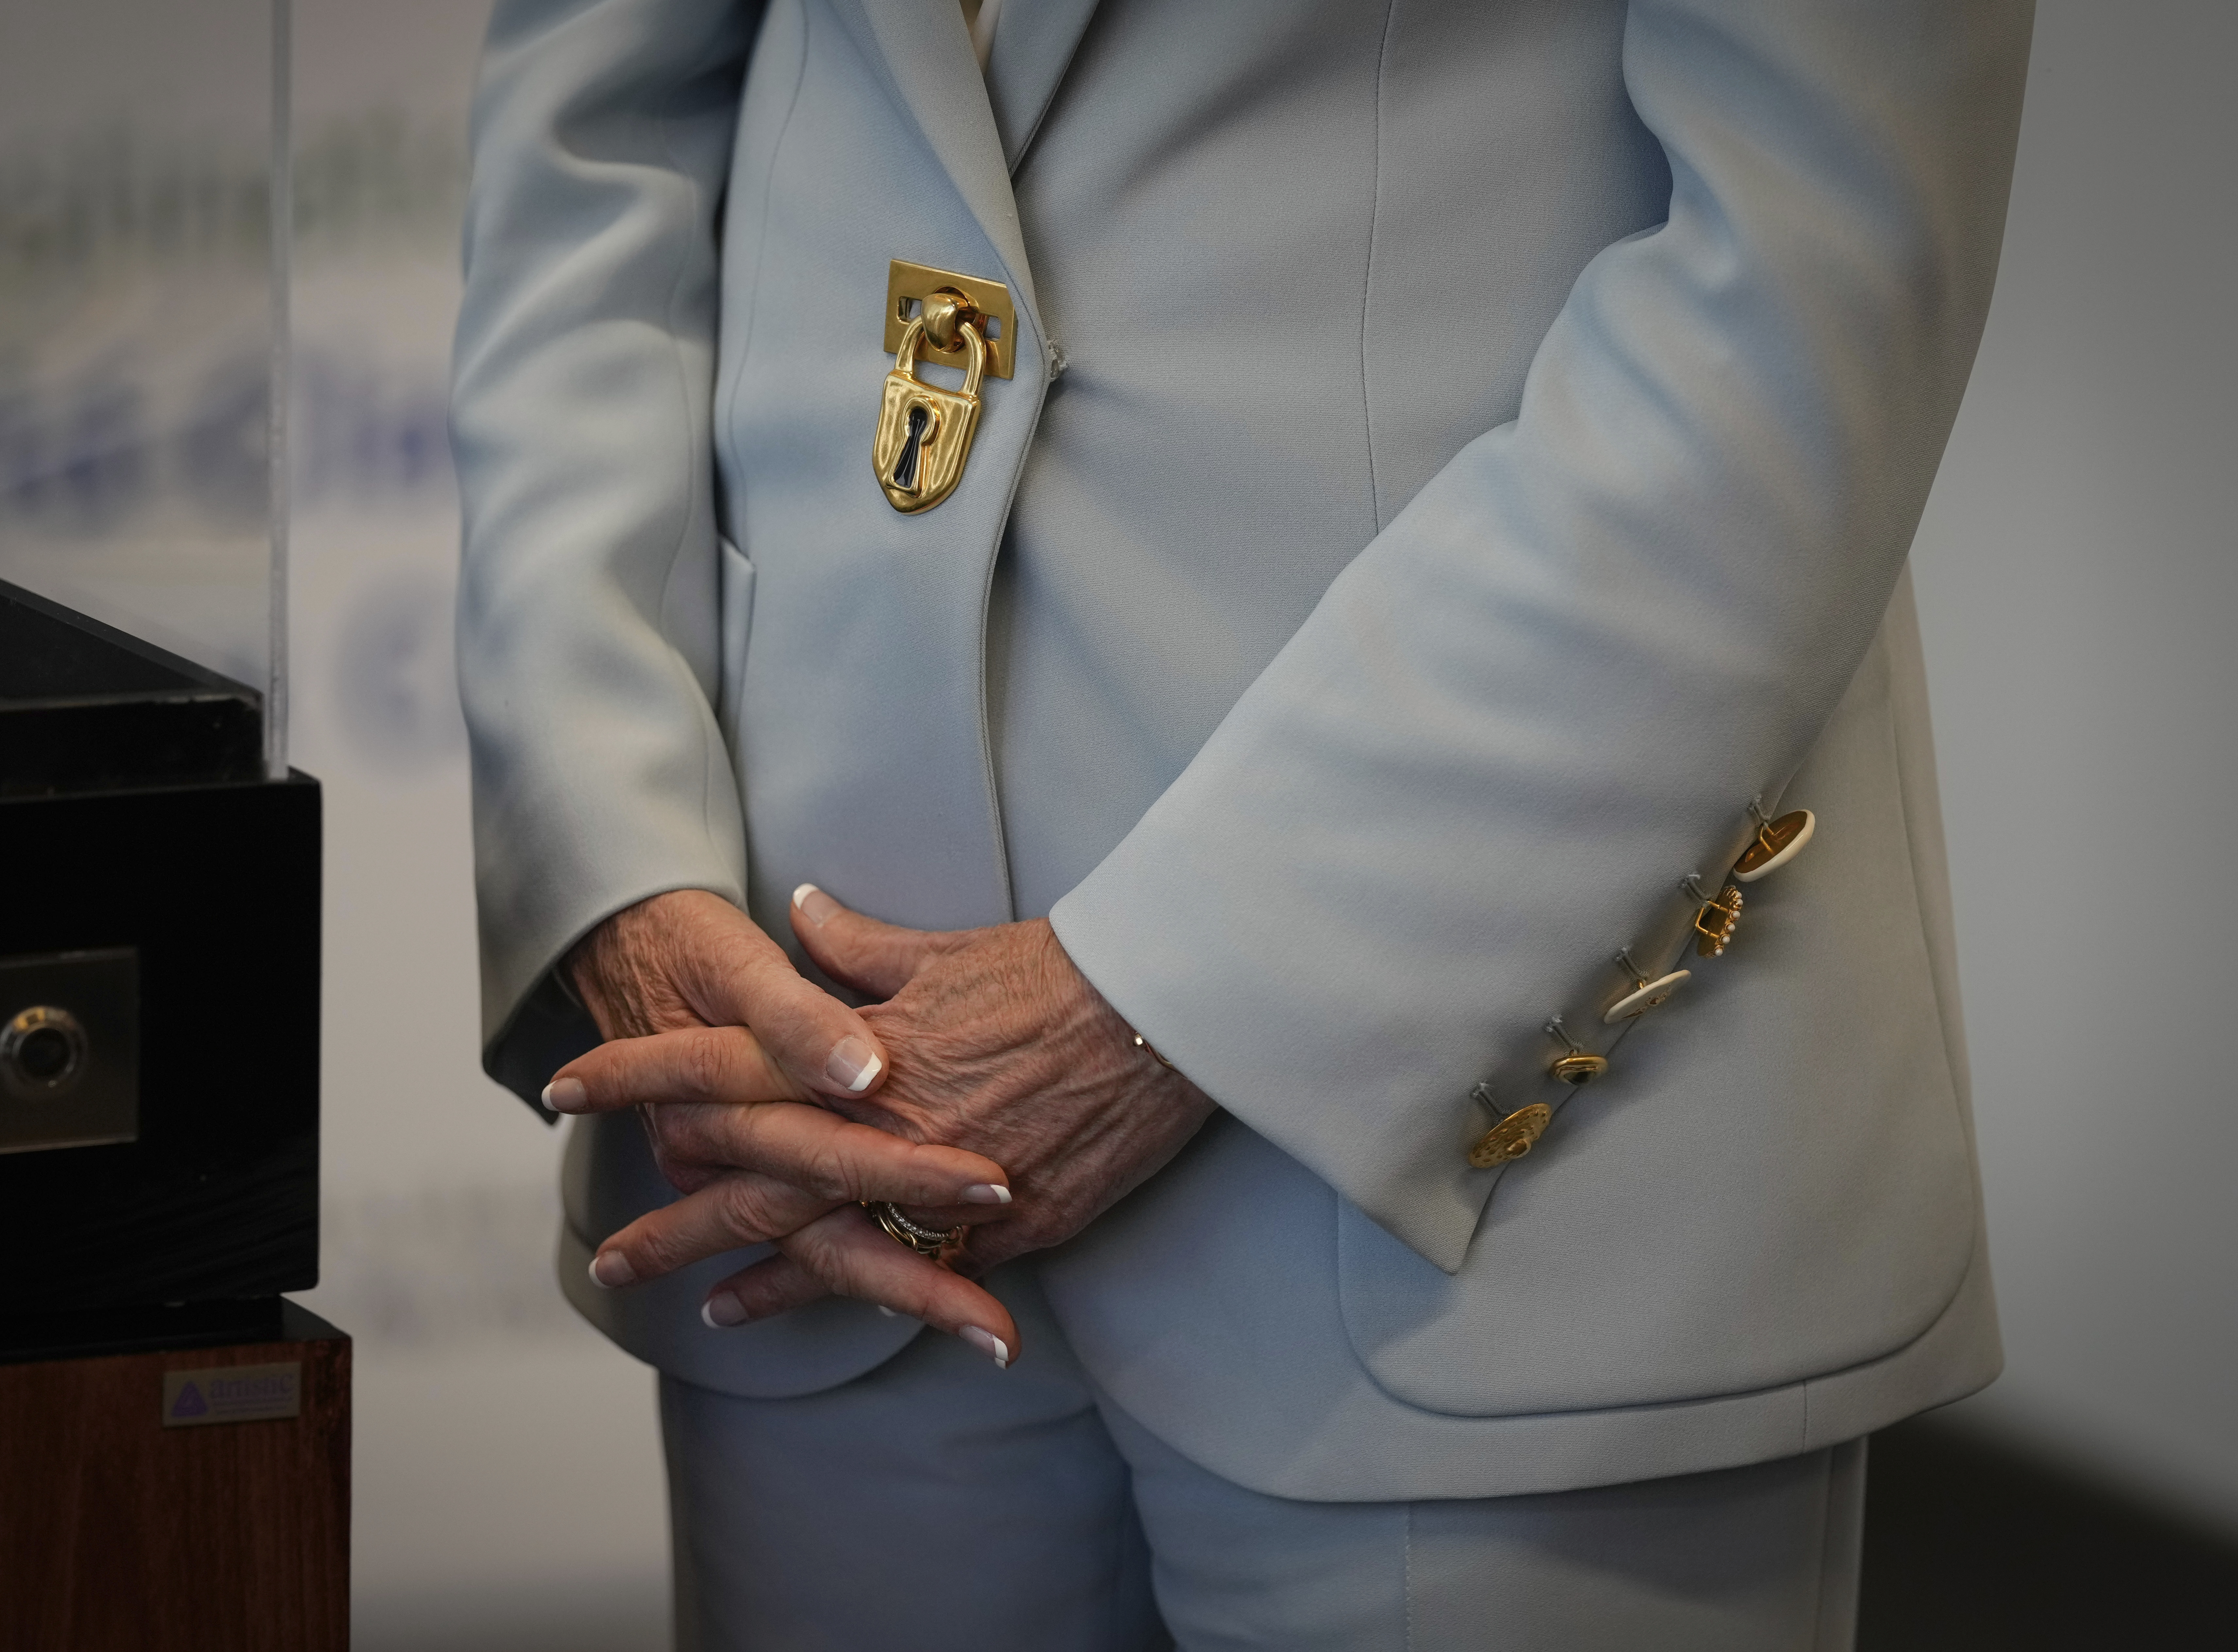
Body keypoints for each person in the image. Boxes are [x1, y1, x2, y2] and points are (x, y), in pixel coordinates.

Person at [451, 1, 2031, 1645]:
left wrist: (1183, 989)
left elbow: (1800, 290)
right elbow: (590, 148)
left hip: (1503, 1191)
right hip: (791, 1121)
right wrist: (616, 845)